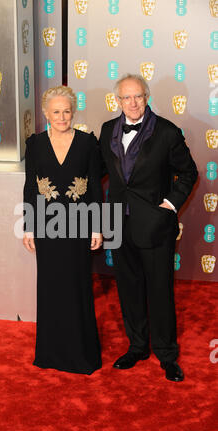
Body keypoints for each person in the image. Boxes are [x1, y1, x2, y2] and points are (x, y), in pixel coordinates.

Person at [99, 74, 198, 382]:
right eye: (126, 98)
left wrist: (168, 205)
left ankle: (167, 355)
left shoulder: (167, 132)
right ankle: (138, 346)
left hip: (155, 226)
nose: (133, 103)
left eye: (138, 96)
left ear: (147, 97)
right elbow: (98, 172)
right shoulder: (106, 131)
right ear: (117, 101)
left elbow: (188, 172)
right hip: (118, 222)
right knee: (128, 289)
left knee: (159, 291)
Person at [23, 85, 103, 375]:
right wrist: (29, 226)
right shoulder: (34, 144)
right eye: (56, 111)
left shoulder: (87, 143)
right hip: (46, 226)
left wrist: (97, 227)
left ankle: (81, 354)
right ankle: (50, 353)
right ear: (46, 113)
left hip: (79, 225)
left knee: (77, 286)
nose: (61, 116)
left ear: (73, 112)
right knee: (50, 287)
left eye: (66, 111)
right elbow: (31, 187)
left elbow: (95, 186)